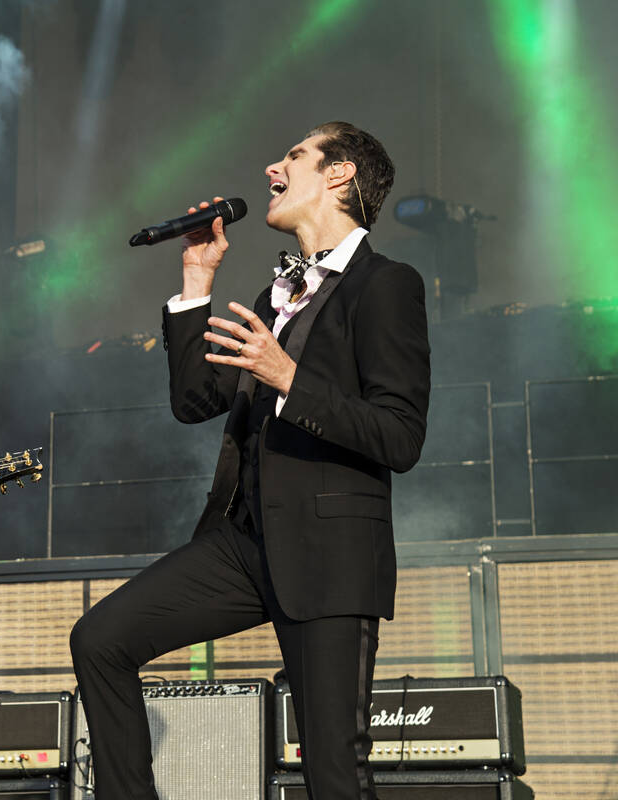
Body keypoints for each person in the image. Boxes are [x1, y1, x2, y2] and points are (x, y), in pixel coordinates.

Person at [70, 122, 430, 800]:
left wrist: (289, 376)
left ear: (339, 175)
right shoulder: (276, 295)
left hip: (329, 553)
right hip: (243, 543)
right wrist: (196, 277)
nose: (272, 166)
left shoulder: (386, 285)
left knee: (334, 774)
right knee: (100, 640)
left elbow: (401, 436)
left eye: (294, 155)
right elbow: (195, 401)